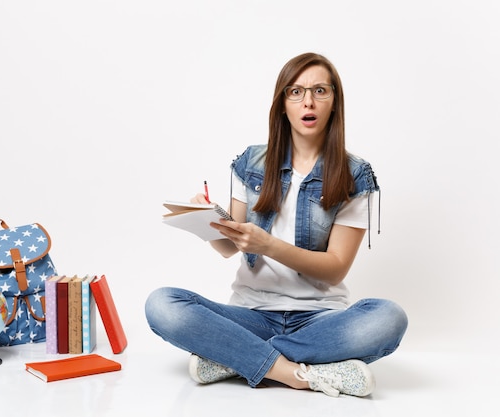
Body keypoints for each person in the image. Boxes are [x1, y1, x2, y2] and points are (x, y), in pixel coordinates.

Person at [145, 52, 408, 398]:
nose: (308, 101)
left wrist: (269, 245)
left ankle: (234, 358)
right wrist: (208, 221)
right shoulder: (252, 161)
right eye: (296, 92)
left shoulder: (353, 174)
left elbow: (334, 270)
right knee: (162, 304)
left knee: (388, 318)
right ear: (282, 103)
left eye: (320, 91)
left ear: (334, 102)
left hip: (319, 320)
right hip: (250, 314)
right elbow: (229, 247)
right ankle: (298, 373)